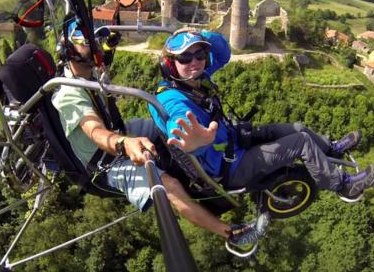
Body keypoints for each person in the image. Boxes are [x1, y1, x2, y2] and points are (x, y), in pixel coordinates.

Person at [149, 29, 374, 247]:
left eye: (199, 54)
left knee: (297, 128)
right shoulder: (172, 98)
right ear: (170, 65)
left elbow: (223, 53)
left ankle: (332, 149)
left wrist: (198, 35)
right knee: (300, 142)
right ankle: (342, 185)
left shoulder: (196, 79)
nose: (194, 62)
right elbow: (178, 122)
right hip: (231, 167)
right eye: (185, 58)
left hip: (233, 139)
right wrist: (193, 142)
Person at [51, 19, 253, 244]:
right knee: (170, 186)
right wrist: (124, 144)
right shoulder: (69, 93)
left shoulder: (86, 73)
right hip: (105, 161)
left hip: (120, 130)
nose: (97, 47)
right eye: (87, 43)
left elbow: (221, 54)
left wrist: (192, 33)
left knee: (164, 122)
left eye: (98, 41)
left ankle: (202, 159)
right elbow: (94, 130)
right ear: (70, 49)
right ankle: (232, 234)